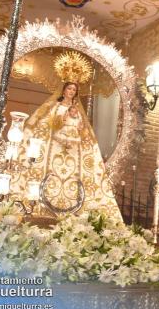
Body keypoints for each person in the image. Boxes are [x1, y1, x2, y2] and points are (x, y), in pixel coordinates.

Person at [8, 79, 122, 220]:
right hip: (55, 145)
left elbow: (83, 130)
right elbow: (45, 124)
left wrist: (80, 129)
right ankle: (38, 205)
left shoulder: (78, 111)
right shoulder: (55, 107)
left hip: (73, 149)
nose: (71, 92)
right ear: (63, 91)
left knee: (75, 174)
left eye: (74, 90)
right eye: (69, 89)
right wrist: (61, 120)